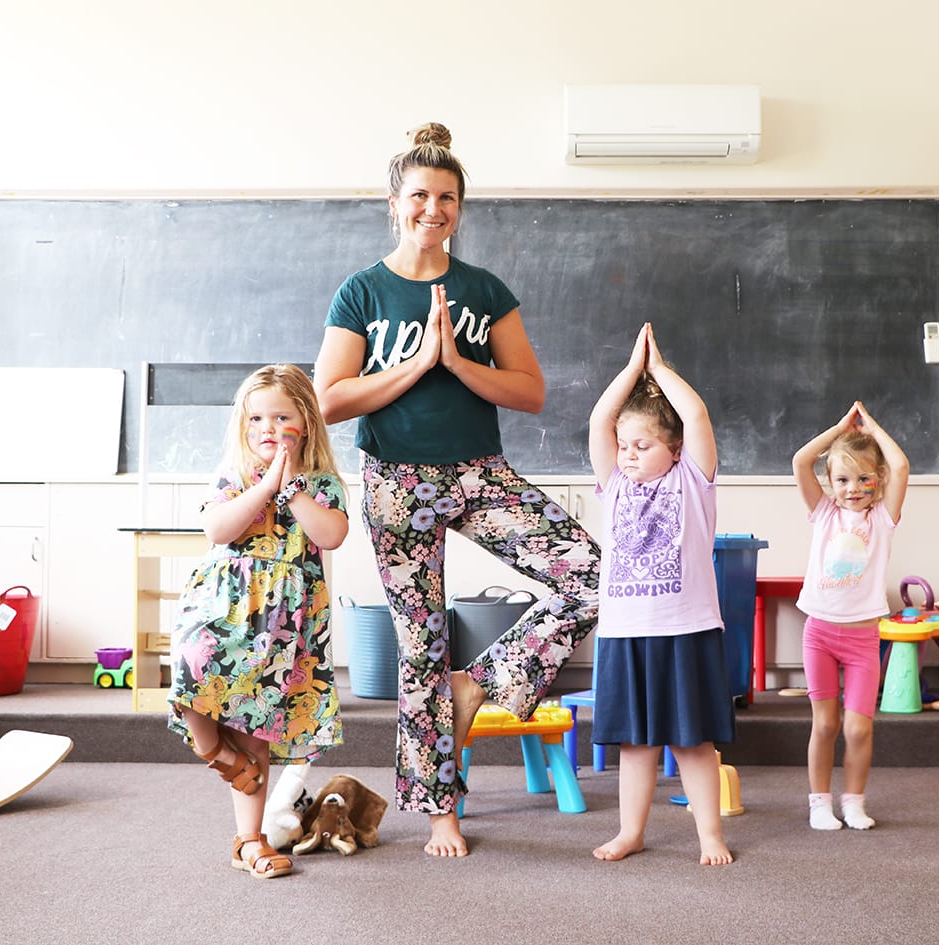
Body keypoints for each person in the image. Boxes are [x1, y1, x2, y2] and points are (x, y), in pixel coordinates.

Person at [313, 122, 601, 857]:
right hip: (396, 482)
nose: (432, 209)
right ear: (393, 203)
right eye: (419, 195)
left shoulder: (483, 290)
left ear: (460, 207)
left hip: (479, 472)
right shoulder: (363, 291)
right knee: (421, 648)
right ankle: (441, 813)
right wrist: (415, 365)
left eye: (446, 198)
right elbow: (330, 399)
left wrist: (457, 362)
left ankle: (480, 684)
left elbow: (530, 391)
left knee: (593, 574)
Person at [166, 363, 350, 879]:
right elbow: (219, 529)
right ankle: (215, 753)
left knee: (255, 728)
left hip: (282, 624)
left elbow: (331, 535)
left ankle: (250, 840)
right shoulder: (234, 475)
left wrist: (290, 488)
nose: (268, 428)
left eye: (282, 417)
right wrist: (266, 484)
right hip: (222, 608)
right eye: (256, 419)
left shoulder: (321, 484)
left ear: (306, 422)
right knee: (190, 674)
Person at [587, 322, 735, 866]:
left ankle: (709, 835)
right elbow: (599, 421)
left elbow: (695, 415)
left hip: (685, 628)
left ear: (674, 450)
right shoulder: (614, 485)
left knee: (693, 742)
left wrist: (659, 370)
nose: (628, 454)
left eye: (642, 445)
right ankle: (631, 832)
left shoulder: (693, 480)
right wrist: (631, 372)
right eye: (624, 445)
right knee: (635, 743)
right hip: (626, 633)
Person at [792, 401, 909, 831]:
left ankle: (854, 802)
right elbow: (801, 460)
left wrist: (872, 429)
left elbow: (901, 465)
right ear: (830, 482)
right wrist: (840, 428)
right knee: (825, 724)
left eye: (863, 478)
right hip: (820, 634)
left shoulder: (883, 519)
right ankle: (819, 803)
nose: (853, 488)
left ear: (878, 481)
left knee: (859, 729)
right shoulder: (824, 513)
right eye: (842, 479)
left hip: (863, 640)